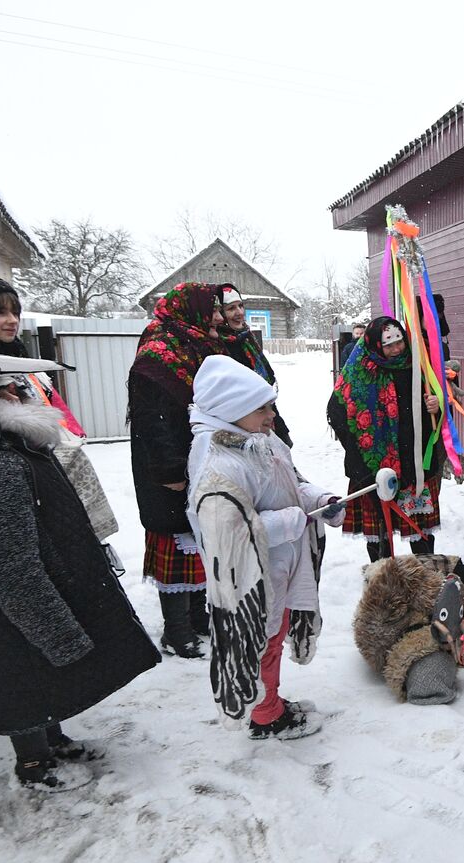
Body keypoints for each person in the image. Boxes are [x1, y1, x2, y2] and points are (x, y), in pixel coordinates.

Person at [0, 349, 160, 791]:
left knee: (44, 682)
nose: (20, 394)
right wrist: (60, 634)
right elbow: (10, 573)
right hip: (9, 617)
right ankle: (35, 764)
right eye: (5, 390)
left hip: (31, 601)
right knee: (22, 681)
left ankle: (52, 740)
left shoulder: (10, 451)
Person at [186, 356, 339, 739]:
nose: (272, 414)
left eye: (271, 404)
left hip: (282, 566)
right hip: (253, 581)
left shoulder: (260, 440)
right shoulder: (217, 462)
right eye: (262, 408)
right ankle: (266, 714)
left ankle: (269, 700)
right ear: (232, 410)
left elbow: (292, 483)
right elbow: (227, 531)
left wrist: (320, 499)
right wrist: (293, 520)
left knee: (274, 635)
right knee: (261, 644)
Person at [0, 277, 120, 549]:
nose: (12, 320)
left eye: (15, 312)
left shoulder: (9, 364)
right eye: (0, 312)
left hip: (35, 498)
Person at [127, 282, 225, 657]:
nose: (217, 317)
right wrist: (171, 470)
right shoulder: (157, 358)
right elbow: (152, 421)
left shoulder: (194, 347)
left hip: (199, 462)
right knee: (176, 545)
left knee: (199, 540)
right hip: (168, 472)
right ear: (191, 313)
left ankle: (198, 618)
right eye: (211, 310)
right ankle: (176, 629)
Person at [327, 316, 445, 559]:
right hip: (374, 465)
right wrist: (359, 445)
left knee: (420, 530)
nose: (396, 349)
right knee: (379, 534)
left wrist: (437, 405)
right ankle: (384, 577)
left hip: (414, 459)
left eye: (400, 342)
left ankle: (425, 574)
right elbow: (336, 411)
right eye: (389, 345)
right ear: (375, 345)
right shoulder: (359, 370)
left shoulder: (417, 366)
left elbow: (434, 404)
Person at [353, 553, 464, 705]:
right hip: (435, 594)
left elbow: (400, 573)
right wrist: (463, 611)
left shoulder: (379, 635)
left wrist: (442, 594)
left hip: (417, 570)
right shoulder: (437, 642)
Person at [217, 283, 291, 446]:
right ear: (221, 313)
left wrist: (280, 426)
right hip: (241, 426)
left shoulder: (246, 338)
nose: (239, 313)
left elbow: (262, 388)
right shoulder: (218, 346)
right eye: (231, 308)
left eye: (241, 306)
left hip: (264, 416)